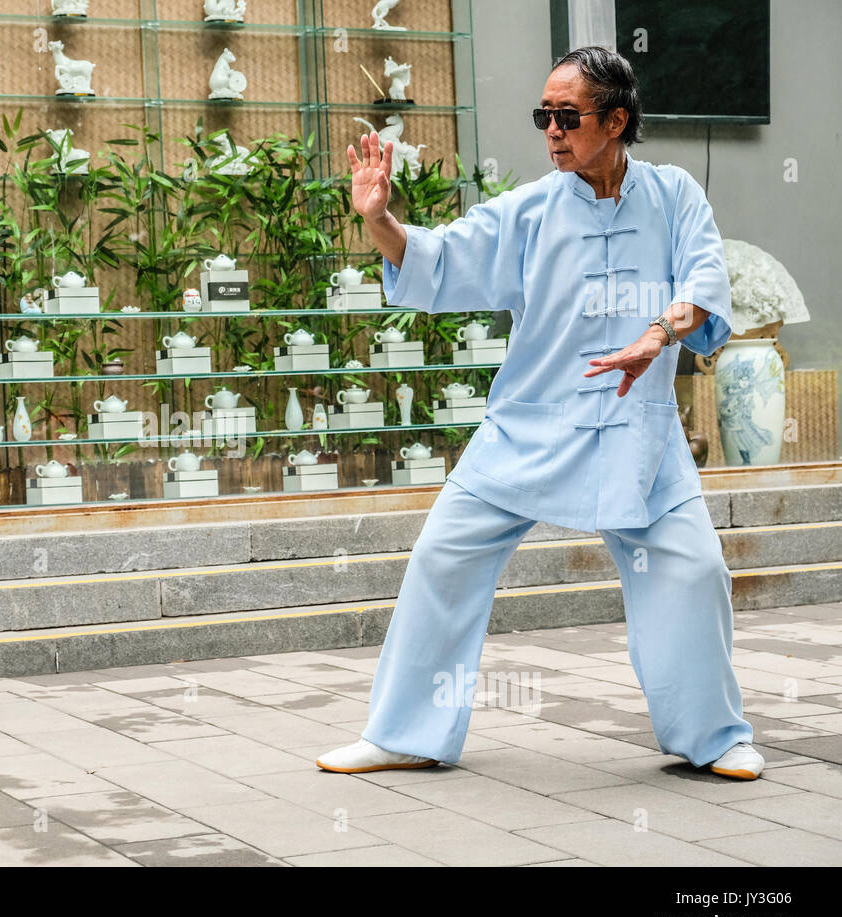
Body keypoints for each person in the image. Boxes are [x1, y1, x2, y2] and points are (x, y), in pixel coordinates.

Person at [316, 46, 764, 780]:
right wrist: (379, 219)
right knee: (442, 559)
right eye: (543, 117)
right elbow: (440, 259)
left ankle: (713, 738)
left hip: (637, 432)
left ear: (616, 120)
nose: (552, 131)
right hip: (528, 427)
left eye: (567, 116)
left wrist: (657, 333)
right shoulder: (530, 209)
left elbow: (703, 282)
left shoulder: (675, 194)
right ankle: (406, 732)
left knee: (693, 573)